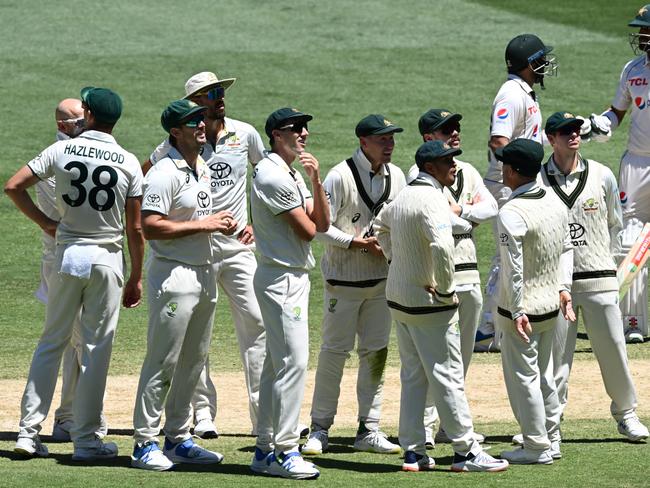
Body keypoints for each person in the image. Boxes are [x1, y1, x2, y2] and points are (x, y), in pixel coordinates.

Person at [6, 86, 144, 460]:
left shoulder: (61, 149)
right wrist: (136, 277)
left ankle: (26, 433)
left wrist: (46, 223)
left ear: (89, 114)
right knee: (96, 351)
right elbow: (135, 229)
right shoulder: (128, 160)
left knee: (52, 342)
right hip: (108, 260)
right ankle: (85, 441)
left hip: (67, 256)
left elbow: (14, 186)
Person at [144, 71, 267, 438]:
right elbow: (141, 179)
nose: (220, 98)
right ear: (194, 103)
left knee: (258, 325)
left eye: (221, 91)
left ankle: (264, 416)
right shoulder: (176, 145)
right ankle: (202, 413)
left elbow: (270, 178)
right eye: (211, 93)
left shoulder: (244, 134)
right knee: (196, 334)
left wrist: (258, 226)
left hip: (238, 249)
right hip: (195, 250)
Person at [374, 140, 508, 473]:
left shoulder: (403, 195)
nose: (454, 166)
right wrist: (447, 290)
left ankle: (413, 451)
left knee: (414, 375)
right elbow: (443, 248)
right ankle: (466, 451)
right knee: (447, 375)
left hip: (400, 299)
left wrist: (396, 261)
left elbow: (380, 225)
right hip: (428, 303)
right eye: (447, 161)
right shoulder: (434, 200)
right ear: (430, 167)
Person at [130, 100, 237, 471]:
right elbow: (151, 224)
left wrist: (225, 225)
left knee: (194, 361)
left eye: (202, 120)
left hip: (205, 272)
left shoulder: (202, 166)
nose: (202, 126)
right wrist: (204, 226)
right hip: (175, 276)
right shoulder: (162, 172)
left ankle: (177, 437)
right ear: (176, 131)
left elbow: (194, 216)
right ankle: (144, 442)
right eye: (194, 122)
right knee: (164, 359)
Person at [541, 111, 649, 442]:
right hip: (558, 283)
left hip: (600, 277)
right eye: (565, 132)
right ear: (551, 139)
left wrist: (604, 260)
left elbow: (616, 224)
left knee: (614, 347)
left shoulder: (601, 175)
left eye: (576, 130)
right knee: (557, 357)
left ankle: (626, 413)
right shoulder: (539, 180)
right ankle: (551, 421)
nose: (573, 136)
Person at [302, 114, 405, 456]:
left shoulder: (398, 176)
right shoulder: (340, 176)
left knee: (375, 354)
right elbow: (319, 227)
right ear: (364, 142)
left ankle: (369, 429)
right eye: (382, 139)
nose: (389, 144)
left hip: (381, 284)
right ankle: (319, 429)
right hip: (343, 281)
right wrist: (359, 244)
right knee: (334, 354)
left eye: (391, 139)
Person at [406, 109, 497, 446]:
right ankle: (428, 426)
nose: (455, 132)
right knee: (436, 356)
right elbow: (436, 217)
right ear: (429, 137)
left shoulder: (468, 171)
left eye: (456, 127)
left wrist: (463, 212)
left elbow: (492, 209)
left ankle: (449, 423)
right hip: (436, 275)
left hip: (469, 273)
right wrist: (464, 218)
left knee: (461, 355)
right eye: (446, 130)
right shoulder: (416, 174)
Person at [249, 107, 329, 479]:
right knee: (292, 363)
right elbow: (309, 232)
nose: (304, 134)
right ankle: (284, 450)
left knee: (275, 365)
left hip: (291, 277)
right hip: (280, 279)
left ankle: (266, 448)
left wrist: (315, 180)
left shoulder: (290, 172)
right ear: (276, 134)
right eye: (296, 128)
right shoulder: (271, 176)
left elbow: (323, 222)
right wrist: (309, 184)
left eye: (306, 128)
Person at [495, 138, 574, 464]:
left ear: (512, 171)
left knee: (523, 379)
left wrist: (516, 309)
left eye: (504, 165)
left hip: (522, 311)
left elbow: (513, 268)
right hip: (550, 306)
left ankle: (536, 446)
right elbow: (568, 248)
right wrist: (564, 288)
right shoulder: (555, 201)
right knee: (545, 375)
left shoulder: (511, 211)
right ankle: (551, 440)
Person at [33, 98, 107, 442]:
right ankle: (71, 419)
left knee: (72, 342)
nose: (87, 124)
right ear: (64, 126)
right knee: (78, 342)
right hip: (65, 261)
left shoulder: (77, 155)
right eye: (80, 120)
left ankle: (67, 416)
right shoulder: (58, 159)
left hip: (71, 258)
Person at [479, 33, 558, 350]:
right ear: (528, 64)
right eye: (540, 60)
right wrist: (519, 175)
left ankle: (492, 325)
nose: (544, 65)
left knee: (513, 256)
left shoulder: (523, 92)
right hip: (507, 186)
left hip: (517, 184)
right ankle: (487, 328)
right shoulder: (511, 95)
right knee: (506, 257)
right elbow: (499, 141)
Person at [588, 5, 650, 343]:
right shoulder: (632, 69)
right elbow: (617, 112)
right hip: (636, 164)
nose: (641, 36)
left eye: (645, 29)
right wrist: (598, 124)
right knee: (631, 240)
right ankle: (633, 322)